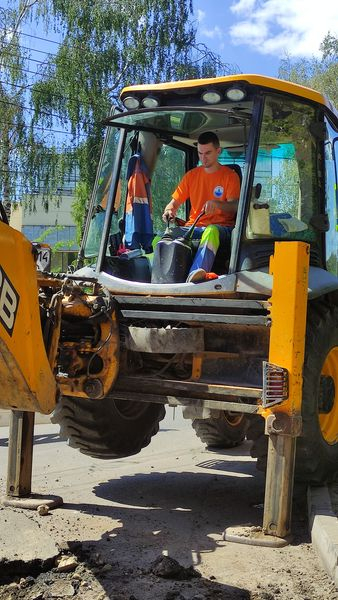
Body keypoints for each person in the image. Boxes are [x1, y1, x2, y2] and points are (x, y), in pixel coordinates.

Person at [162, 131, 240, 282]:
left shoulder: (230, 176)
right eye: (200, 153)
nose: (203, 158)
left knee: (211, 231)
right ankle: (153, 272)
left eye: (208, 153)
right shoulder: (191, 176)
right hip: (194, 227)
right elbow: (174, 202)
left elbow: (235, 206)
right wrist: (169, 210)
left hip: (221, 229)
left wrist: (217, 204)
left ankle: (197, 273)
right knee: (164, 235)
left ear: (218, 151)